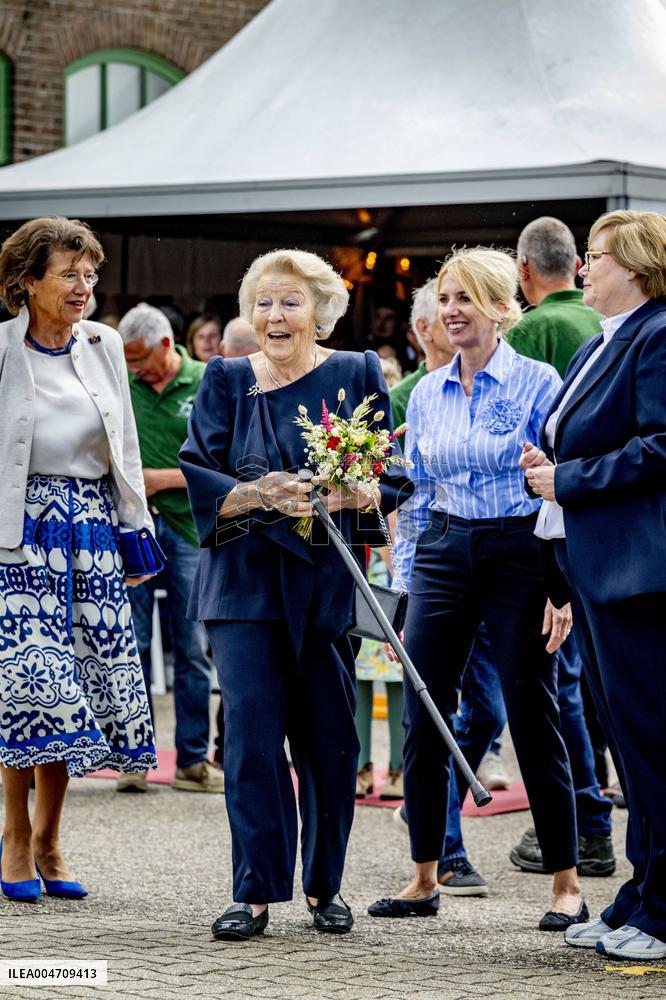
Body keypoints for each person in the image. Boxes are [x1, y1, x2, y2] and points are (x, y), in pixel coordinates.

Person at [180, 249, 412, 941]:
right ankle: (252, 893)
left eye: (290, 302)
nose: (275, 317)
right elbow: (200, 471)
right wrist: (257, 493)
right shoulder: (224, 379)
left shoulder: (357, 371)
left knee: (330, 741)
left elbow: (393, 469)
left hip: (325, 584)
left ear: (320, 309)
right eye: (264, 303)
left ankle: (324, 887)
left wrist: (364, 491)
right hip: (244, 586)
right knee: (252, 743)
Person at [368, 247, 584, 931]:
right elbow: (419, 492)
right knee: (424, 712)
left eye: (465, 298)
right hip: (443, 550)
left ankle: (566, 884)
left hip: (519, 550)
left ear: (499, 306)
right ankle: (423, 876)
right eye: (444, 299)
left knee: (531, 709)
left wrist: (560, 579)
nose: (450, 311)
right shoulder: (427, 392)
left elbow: (559, 484)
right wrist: (407, 584)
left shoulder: (537, 382)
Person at [522, 210, 666, 961]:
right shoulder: (605, 339)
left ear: (635, 267)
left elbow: (662, 444)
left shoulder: (660, 331)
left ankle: (664, 911)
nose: (582, 270)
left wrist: (566, 479)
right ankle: (642, 896)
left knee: (652, 743)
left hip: (642, 573)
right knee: (632, 745)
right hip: (599, 567)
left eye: (597, 257)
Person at [0, 217, 156, 902]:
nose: (84, 286)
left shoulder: (105, 344)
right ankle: (13, 836)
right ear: (27, 281)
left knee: (82, 688)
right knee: (28, 689)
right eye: (69, 273)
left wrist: (135, 528)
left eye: (89, 274)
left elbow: (121, 441)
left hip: (90, 529)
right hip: (18, 533)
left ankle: (51, 839)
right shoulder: (1, 350)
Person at [506, 216, 614, 879]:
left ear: (522, 274)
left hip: (548, 530)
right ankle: (592, 825)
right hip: (595, 536)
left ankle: (585, 830)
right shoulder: (596, 331)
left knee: (557, 690)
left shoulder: (538, 332)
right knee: (580, 691)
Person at [117, 303, 224, 795]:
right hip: (134, 526)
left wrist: (159, 479)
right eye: (129, 362)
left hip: (189, 528)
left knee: (191, 646)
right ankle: (134, 756)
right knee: (131, 642)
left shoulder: (208, 380)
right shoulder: (123, 385)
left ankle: (193, 759)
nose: (135, 370)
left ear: (166, 345)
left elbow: (225, 463)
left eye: (140, 360)